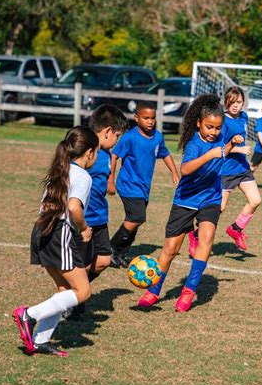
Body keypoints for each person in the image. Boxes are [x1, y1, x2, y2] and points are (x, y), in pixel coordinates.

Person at [137, 94, 243, 313]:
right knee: (171, 249)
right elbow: (185, 170)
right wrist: (211, 154)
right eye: (209, 127)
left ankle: (189, 290)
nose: (214, 132)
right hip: (185, 199)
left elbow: (223, 150)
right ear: (198, 123)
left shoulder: (220, 136)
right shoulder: (194, 144)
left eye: (217, 128)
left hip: (210, 198)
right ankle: (154, 290)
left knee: (206, 239)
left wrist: (231, 143)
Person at [13, 126, 99, 357]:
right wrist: (84, 229)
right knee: (83, 291)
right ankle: (29, 315)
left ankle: (40, 340)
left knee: (65, 289)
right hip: (58, 232)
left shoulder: (59, 170)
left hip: (42, 229)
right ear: (89, 153)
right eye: (96, 152)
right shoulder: (82, 176)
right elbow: (73, 207)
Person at [68, 104, 128, 321]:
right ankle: (73, 300)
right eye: (118, 136)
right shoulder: (87, 152)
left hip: (100, 218)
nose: (117, 141)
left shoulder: (105, 154)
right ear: (108, 132)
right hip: (83, 221)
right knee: (78, 265)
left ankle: (74, 292)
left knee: (103, 259)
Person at [188, 86, 261, 255]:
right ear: (226, 102)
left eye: (240, 102)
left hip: (242, 168)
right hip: (226, 170)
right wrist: (239, 149)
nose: (236, 105)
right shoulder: (222, 122)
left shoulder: (244, 116)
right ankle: (196, 236)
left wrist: (243, 152)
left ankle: (236, 229)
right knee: (218, 209)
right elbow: (220, 147)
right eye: (232, 102)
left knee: (255, 200)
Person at [108, 101, 179, 267]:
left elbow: (165, 154)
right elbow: (114, 156)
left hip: (143, 188)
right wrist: (110, 180)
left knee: (135, 221)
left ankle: (119, 255)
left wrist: (174, 172)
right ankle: (111, 249)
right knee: (136, 218)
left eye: (152, 118)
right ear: (136, 118)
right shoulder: (130, 137)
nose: (150, 121)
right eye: (146, 118)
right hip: (128, 185)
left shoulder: (158, 137)